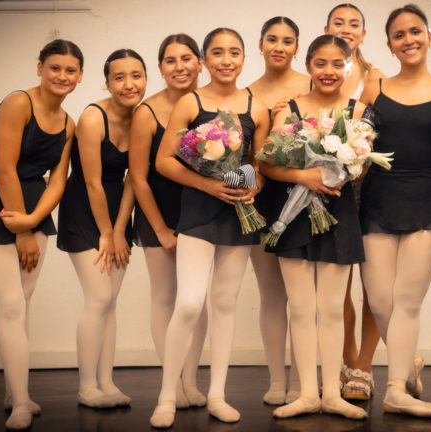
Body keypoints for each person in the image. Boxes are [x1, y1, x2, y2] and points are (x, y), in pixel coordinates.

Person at [150, 27, 269, 428]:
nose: (226, 60)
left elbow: (261, 166)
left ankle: (217, 394)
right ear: (204, 59)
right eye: (217, 53)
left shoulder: (257, 106)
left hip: (239, 216)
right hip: (198, 213)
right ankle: (167, 396)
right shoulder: (190, 101)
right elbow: (164, 161)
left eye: (234, 52)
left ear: (243, 57)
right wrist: (208, 184)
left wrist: (253, 186)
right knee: (188, 303)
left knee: (224, 304)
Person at [0, 39, 82, 430]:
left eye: (70, 70)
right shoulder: (18, 103)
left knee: (22, 303)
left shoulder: (70, 124)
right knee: (11, 305)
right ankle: (20, 402)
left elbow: (57, 182)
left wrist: (33, 219)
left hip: (33, 209)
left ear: (80, 76)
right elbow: (3, 169)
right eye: (55, 68)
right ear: (40, 68)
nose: (62, 76)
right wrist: (22, 229)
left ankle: (15, 391)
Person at [261, 34, 367, 421]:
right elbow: (267, 164)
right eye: (321, 63)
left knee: (332, 309)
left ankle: (332, 394)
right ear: (309, 66)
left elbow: (362, 164)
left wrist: (348, 164)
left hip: (339, 214)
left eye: (337, 64)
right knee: (302, 309)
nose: (329, 71)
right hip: (293, 214)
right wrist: (304, 176)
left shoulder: (358, 112)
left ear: (348, 67)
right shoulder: (287, 109)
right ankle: (306, 393)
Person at [358, 4, 431, 417]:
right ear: (390, 45)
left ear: (430, 37)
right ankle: (406, 362)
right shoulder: (375, 86)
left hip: (427, 200)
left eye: (416, 31)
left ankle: (396, 389)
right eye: (399, 34)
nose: (408, 39)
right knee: (380, 301)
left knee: (407, 300)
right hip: (378, 199)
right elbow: (356, 141)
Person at [56, 49, 145, 408]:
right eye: (119, 77)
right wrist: (107, 232)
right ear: (107, 83)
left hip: (117, 211)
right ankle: (86, 386)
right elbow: (92, 183)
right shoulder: (93, 118)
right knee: (99, 299)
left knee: (111, 303)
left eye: (136, 75)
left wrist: (121, 228)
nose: (129, 84)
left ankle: (107, 382)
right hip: (84, 210)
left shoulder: (140, 117)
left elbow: (132, 180)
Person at [129, 34, 208, 409]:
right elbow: (139, 177)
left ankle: (191, 382)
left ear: (201, 63)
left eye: (187, 58)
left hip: (202, 213)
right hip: (158, 213)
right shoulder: (146, 112)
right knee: (165, 297)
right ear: (160, 68)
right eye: (171, 61)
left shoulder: (209, 104)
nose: (180, 67)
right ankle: (170, 382)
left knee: (196, 301)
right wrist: (160, 229)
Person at [244, 16, 309, 406]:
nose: (279, 46)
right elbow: (247, 153)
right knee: (271, 294)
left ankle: (303, 380)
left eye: (287, 40)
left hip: (305, 196)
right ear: (261, 44)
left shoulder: (311, 84)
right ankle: (275, 380)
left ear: (298, 47)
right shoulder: (247, 92)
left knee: (304, 299)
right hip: (262, 197)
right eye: (272, 39)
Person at [324, 2, 385, 401]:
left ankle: (365, 364)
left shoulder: (374, 77)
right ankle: (347, 361)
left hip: (375, 187)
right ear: (326, 29)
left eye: (354, 25)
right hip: (330, 188)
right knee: (338, 284)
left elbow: (379, 134)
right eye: (338, 23)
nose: (347, 29)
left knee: (375, 285)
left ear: (363, 35)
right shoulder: (315, 74)